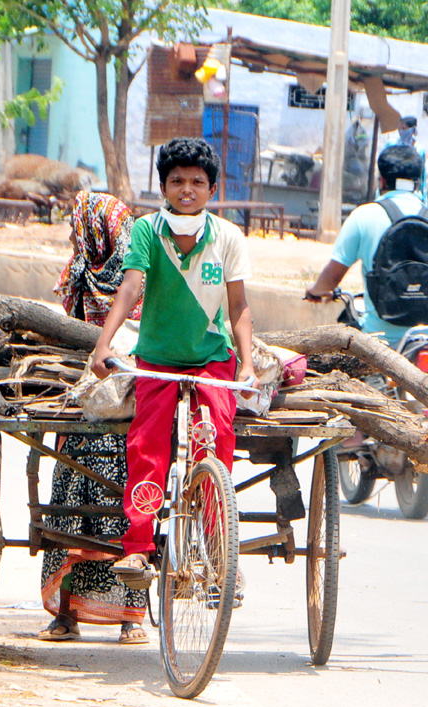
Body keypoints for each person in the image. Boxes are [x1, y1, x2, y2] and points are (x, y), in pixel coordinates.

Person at [89, 137, 255, 586]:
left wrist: (247, 364)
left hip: (212, 359)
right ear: (163, 186)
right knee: (146, 446)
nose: (187, 189)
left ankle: (220, 550)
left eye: (197, 182)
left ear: (212, 189)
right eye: (177, 181)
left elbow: (238, 307)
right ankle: (138, 547)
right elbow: (131, 287)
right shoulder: (146, 231)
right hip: (156, 359)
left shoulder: (228, 237)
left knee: (216, 439)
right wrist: (103, 345)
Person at [38, 191, 150, 644]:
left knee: (130, 511)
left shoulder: (142, 276)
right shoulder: (79, 271)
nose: (72, 233)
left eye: (77, 225)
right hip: (84, 410)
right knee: (69, 511)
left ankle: (131, 619)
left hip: (131, 413)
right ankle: (66, 615)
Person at [303, 144, 428, 353]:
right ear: (417, 184)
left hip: (383, 342)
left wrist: (316, 291)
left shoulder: (363, 216)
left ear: (382, 181)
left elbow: (332, 277)